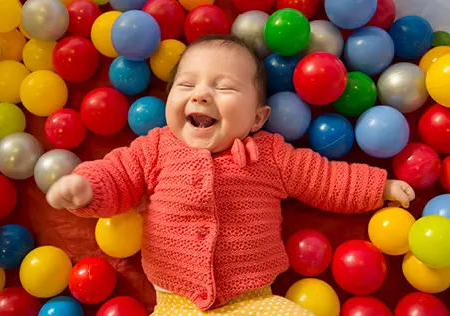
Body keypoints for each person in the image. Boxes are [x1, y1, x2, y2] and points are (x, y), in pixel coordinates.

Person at [46, 34, 415, 315]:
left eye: (223, 87)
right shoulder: (155, 147)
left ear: (258, 118)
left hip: (252, 301)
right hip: (176, 304)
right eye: (186, 85)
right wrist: (86, 186)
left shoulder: (270, 154)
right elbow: (118, 175)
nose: (201, 95)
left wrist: (379, 186)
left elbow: (323, 179)